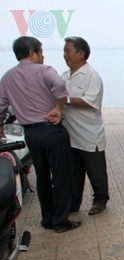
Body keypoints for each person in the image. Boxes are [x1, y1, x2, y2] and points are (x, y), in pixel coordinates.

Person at [0, 36, 80, 233]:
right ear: (32, 53)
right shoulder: (45, 71)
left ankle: (48, 218)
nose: (43, 56)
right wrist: (59, 108)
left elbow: (1, 107)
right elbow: (60, 87)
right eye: (41, 52)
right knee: (61, 176)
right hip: (51, 129)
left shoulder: (8, 77)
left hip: (31, 135)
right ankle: (61, 221)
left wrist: (0, 129)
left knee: (42, 177)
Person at [62, 36, 109, 216]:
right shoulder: (65, 76)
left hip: (89, 134)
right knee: (74, 173)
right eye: (64, 51)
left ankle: (100, 200)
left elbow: (91, 101)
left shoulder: (91, 76)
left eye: (68, 51)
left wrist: (64, 99)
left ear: (81, 54)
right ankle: (73, 204)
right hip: (70, 135)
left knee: (96, 172)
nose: (65, 55)